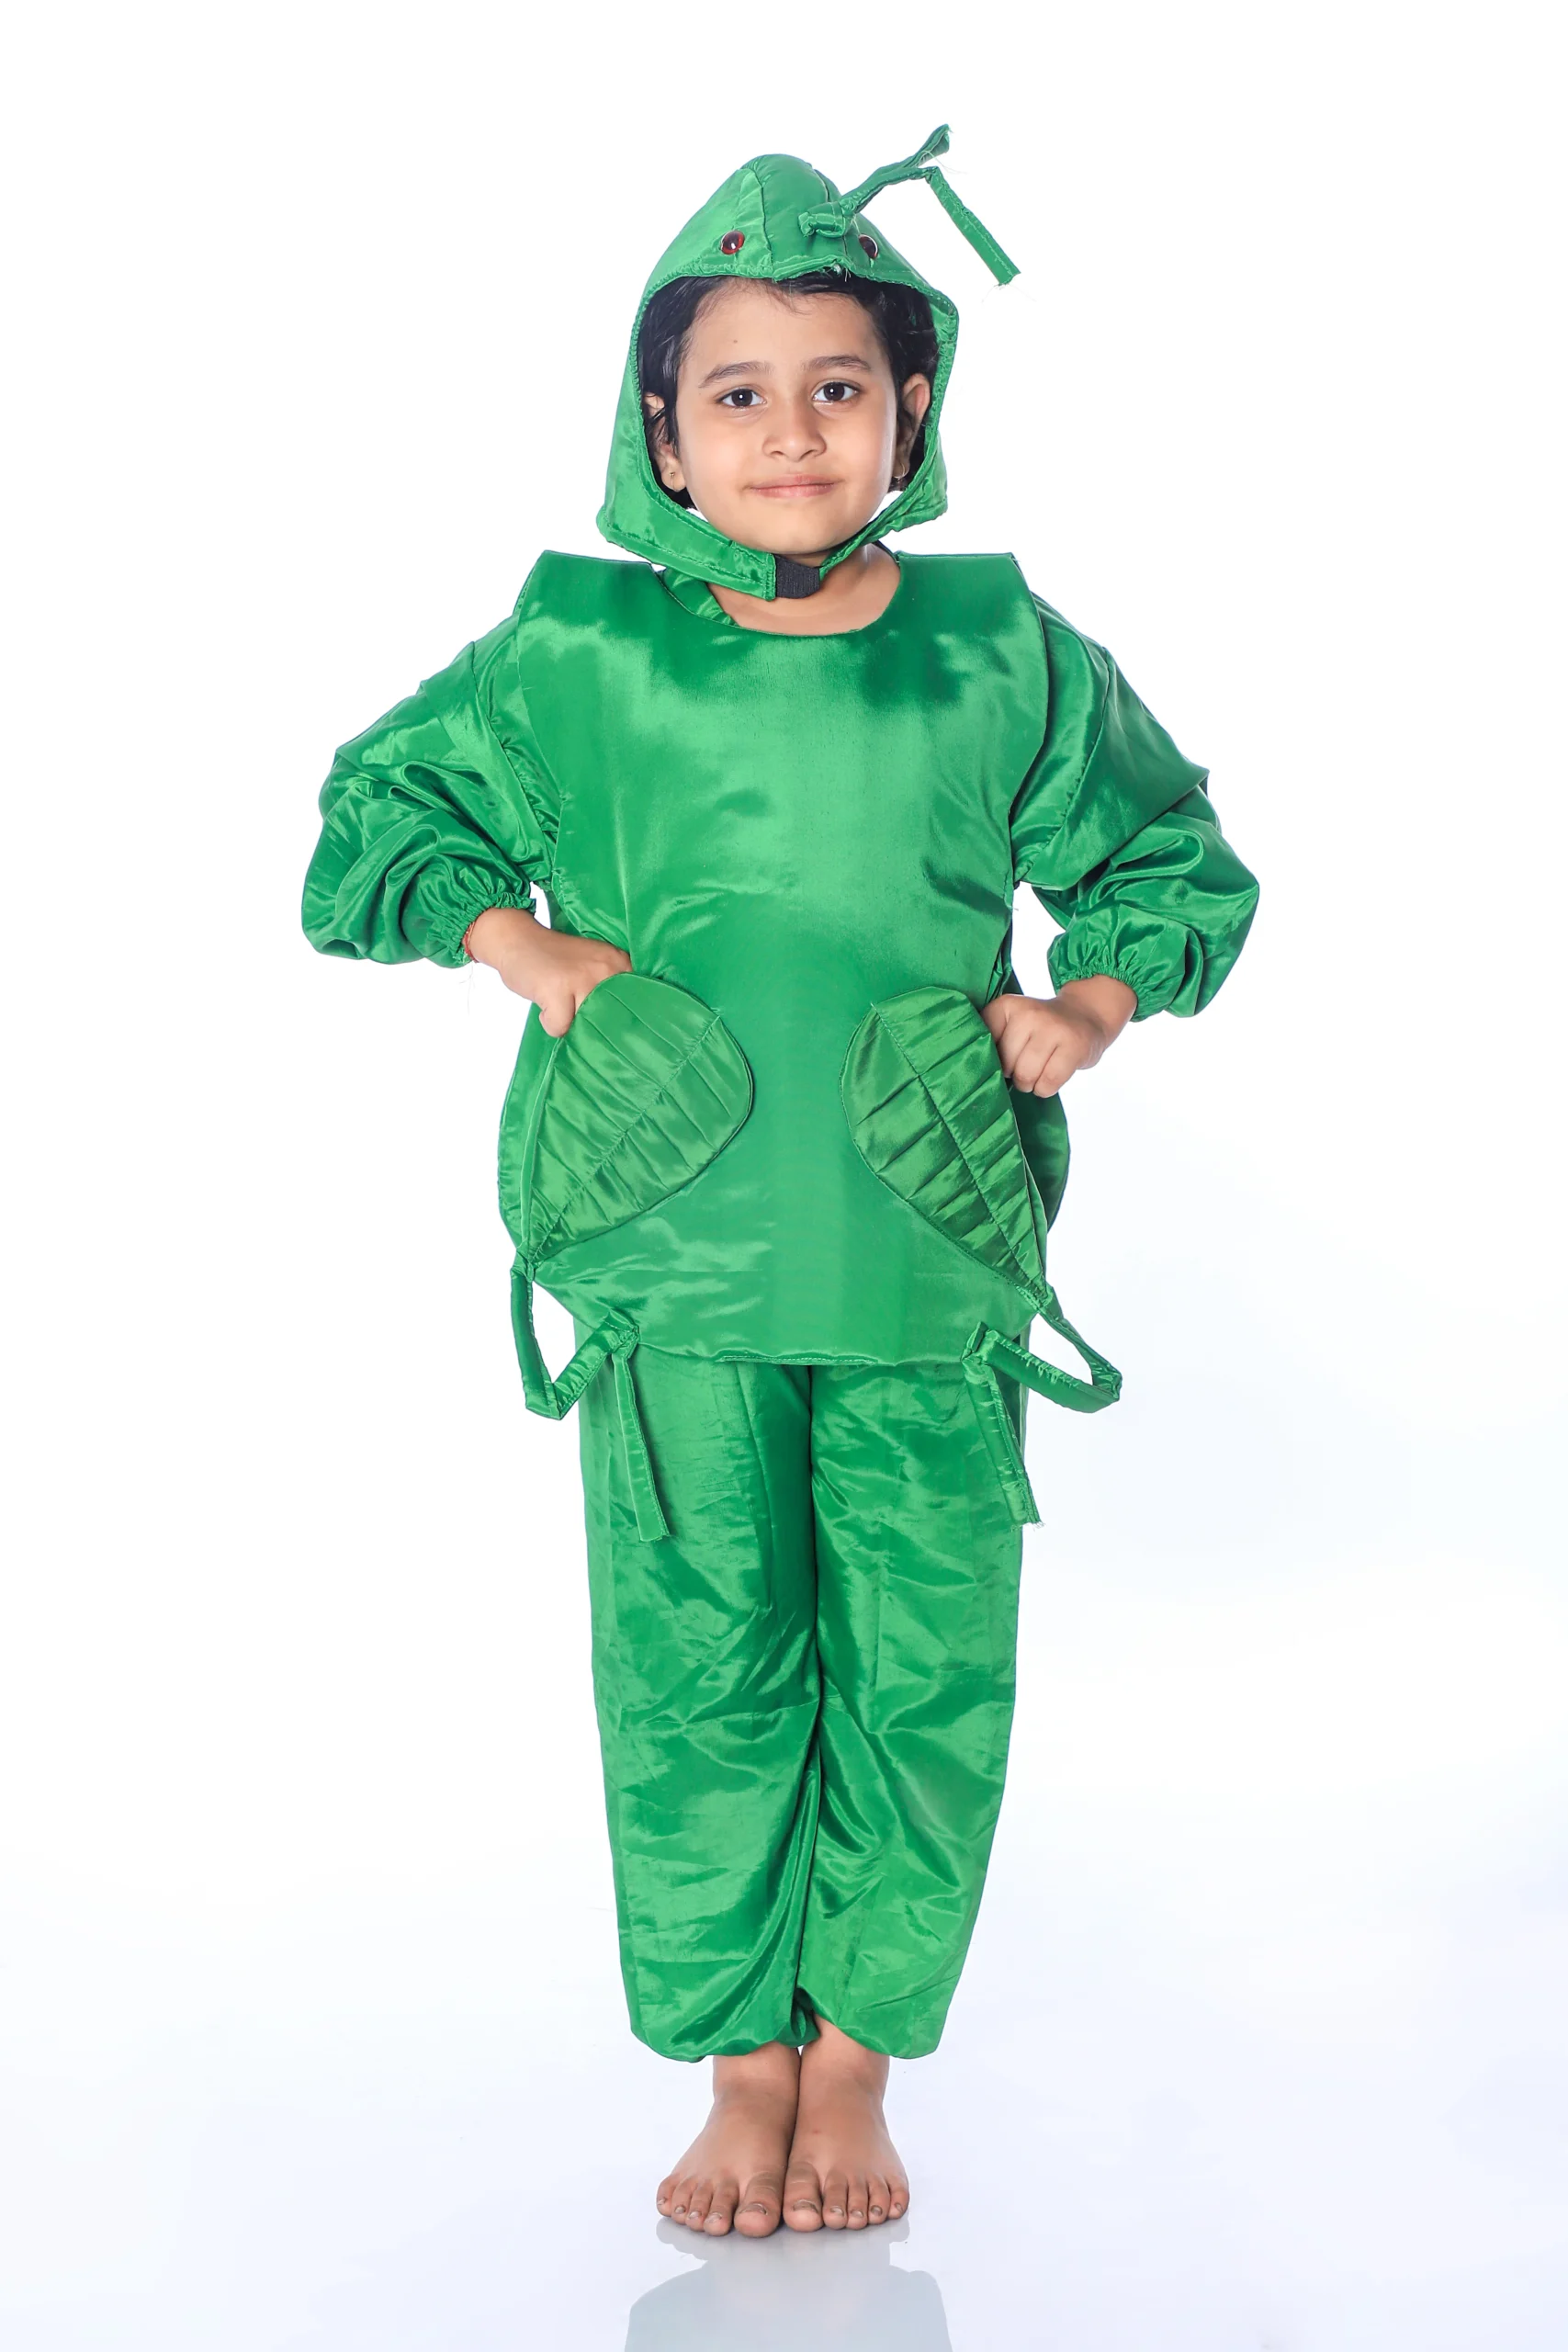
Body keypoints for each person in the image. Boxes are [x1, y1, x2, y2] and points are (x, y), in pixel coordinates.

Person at [301, 124, 1260, 2243]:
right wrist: (527, 945)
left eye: (839, 385)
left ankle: (857, 2053)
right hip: (676, 1249)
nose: (792, 430)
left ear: (911, 408)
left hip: (922, 1247)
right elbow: (377, 815)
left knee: (921, 1664)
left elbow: (1163, 852)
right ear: (660, 427)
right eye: (737, 390)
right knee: (698, 1663)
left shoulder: (996, 651)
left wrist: (1089, 999)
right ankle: (743, 2055)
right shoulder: (582, 654)